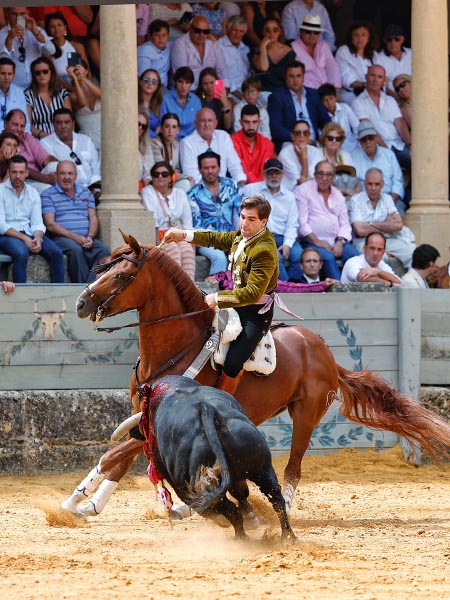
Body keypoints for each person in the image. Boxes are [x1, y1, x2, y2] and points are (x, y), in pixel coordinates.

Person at [164, 194, 279, 397]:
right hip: (235, 305)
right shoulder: (242, 236)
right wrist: (183, 235)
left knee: (233, 361)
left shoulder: (264, 250)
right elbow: (214, 238)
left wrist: (217, 298)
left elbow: (253, 293)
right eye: (243, 217)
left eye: (251, 219)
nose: (244, 224)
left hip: (255, 314)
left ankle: (224, 404)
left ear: (264, 221)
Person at [41, 160, 110, 283]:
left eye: (70, 173)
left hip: (85, 237)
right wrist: (75, 237)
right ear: (56, 175)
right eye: (62, 173)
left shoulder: (85, 192)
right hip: (60, 237)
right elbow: (50, 224)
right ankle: (82, 287)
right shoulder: (48, 195)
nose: (67, 177)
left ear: (76, 176)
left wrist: (90, 236)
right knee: (75, 250)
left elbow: (93, 218)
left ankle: (92, 285)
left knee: (103, 250)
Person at [0, 155, 64, 283]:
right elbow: (1, 225)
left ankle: (58, 296)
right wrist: (24, 239)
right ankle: (21, 297)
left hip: (29, 233)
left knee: (56, 253)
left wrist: (38, 238)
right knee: (21, 253)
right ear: (9, 172)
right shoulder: (1, 191)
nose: (18, 176)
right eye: (14, 172)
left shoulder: (33, 193)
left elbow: (37, 223)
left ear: (27, 173)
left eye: (21, 172)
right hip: (7, 234)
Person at [295, 160, 358, 279]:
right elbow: (302, 223)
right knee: (328, 257)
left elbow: (345, 223)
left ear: (333, 177)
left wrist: (340, 241)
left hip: (337, 240)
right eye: (321, 174)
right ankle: (340, 291)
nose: (324, 178)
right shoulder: (303, 190)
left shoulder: (338, 194)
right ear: (314, 175)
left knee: (354, 256)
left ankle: (360, 290)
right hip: (311, 241)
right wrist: (317, 241)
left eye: (328, 174)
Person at [243, 158, 302, 282]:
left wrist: (287, 244)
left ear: (282, 175)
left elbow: (292, 224)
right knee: (276, 257)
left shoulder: (289, 196)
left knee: (299, 255)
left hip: (282, 236)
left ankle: (295, 286)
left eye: (277, 173)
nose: (274, 176)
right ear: (264, 174)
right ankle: (286, 289)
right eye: (270, 173)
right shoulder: (251, 191)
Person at [187, 150, 243, 275]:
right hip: (208, 240)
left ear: (219, 168)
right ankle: (215, 291)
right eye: (206, 168)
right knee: (219, 258)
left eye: (213, 167)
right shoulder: (193, 194)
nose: (210, 171)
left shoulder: (232, 186)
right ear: (200, 169)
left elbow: (240, 214)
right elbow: (197, 225)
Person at [347, 167, 415, 269]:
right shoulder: (355, 200)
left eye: (377, 184)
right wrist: (386, 223)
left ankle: (410, 283)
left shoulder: (387, 199)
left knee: (412, 251)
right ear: (364, 184)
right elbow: (360, 230)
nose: (373, 188)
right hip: (365, 242)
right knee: (378, 256)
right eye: (370, 184)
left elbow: (398, 225)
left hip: (388, 240)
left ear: (382, 184)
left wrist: (370, 223)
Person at [141, 161, 195, 280]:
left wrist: (191, 244)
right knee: (173, 250)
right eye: (156, 174)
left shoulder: (179, 193)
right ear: (152, 177)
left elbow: (187, 224)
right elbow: (153, 222)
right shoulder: (148, 192)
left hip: (179, 235)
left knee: (187, 250)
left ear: (171, 177)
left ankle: (189, 288)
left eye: (164, 174)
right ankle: (174, 288)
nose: (160, 177)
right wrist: (156, 247)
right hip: (160, 237)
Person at [351, 64, 411, 169]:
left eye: (380, 77)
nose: (375, 80)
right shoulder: (358, 102)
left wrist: (410, 144)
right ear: (366, 77)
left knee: (421, 162)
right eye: (372, 75)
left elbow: (400, 123)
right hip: (379, 148)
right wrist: (386, 151)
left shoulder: (390, 100)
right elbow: (369, 128)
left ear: (384, 81)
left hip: (398, 145)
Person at [267, 60, 330, 152]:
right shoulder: (277, 97)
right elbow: (275, 129)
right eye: (291, 76)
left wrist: (323, 138)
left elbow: (326, 120)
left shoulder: (313, 94)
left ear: (303, 76)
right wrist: (299, 139)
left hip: (314, 142)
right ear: (286, 78)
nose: (295, 80)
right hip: (290, 142)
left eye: (298, 76)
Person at [180, 108, 246, 185]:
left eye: (210, 120)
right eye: (203, 121)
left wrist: (241, 184)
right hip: (200, 190)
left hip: (225, 188)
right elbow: (192, 176)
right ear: (195, 123)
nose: (206, 124)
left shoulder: (223, 137)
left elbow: (235, 166)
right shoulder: (187, 143)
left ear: (215, 123)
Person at [40, 108, 101, 190]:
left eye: (66, 122)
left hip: (94, 187)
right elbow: (54, 171)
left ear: (73, 123)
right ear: (53, 125)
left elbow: (95, 165)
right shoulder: (45, 144)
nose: (63, 126)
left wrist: (94, 184)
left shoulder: (86, 140)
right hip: (69, 191)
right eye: (59, 123)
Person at [352, 121, 405, 209]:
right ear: (359, 142)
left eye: (371, 138)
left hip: (389, 199)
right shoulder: (353, 157)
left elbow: (398, 181)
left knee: (399, 214)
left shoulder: (389, 155)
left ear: (376, 137)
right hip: (364, 202)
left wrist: (390, 201)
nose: (368, 142)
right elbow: (352, 184)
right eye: (364, 139)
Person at [0, 7, 55, 90]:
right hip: (14, 89)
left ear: (28, 13)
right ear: (7, 14)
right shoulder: (1, 34)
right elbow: (3, 61)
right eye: (14, 14)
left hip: (36, 87)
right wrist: (10, 38)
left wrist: (36, 33)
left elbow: (51, 51)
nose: (18, 18)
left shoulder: (37, 30)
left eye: (22, 14)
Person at [3, 108, 57, 193]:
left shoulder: (26, 137)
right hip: (21, 181)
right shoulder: (3, 142)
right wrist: (46, 179)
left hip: (40, 175)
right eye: (15, 124)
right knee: (48, 189)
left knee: (56, 166)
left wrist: (61, 168)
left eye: (22, 126)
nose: (19, 129)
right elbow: (19, 168)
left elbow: (46, 159)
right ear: (5, 124)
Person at [171, 15, 227, 90]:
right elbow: (182, 76)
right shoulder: (180, 44)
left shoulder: (212, 43)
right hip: (188, 91)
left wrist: (218, 92)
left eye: (205, 32)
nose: (202, 35)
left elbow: (221, 71)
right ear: (190, 28)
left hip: (211, 90)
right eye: (198, 31)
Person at [25, 56, 71, 139]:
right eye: (37, 73)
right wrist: (41, 134)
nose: (41, 75)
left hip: (62, 136)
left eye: (45, 71)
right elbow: (27, 125)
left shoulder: (62, 92)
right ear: (34, 75)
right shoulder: (28, 95)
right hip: (39, 139)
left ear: (51, 72)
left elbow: (69, 120)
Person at [291, 15, 341, 91]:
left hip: (327, 91)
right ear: (301, 31)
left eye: (316, 32)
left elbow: (332, 66)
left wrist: (334, 88)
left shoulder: (323, 45)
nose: (312, 35)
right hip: (305, 91)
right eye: (308, 32)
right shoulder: (293, 47)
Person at [335, 21, 378, 105]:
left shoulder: (374, 54)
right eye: (356, 35)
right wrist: (366, 86)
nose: (360, 38)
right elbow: (346, 76)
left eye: (363, 35)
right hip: (351, 94)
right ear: (351, 37)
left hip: (373, 92)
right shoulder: (344, 51)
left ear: (368, 38)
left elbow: (380, 75)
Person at [44, 11, 90, 85]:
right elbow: (56, 78)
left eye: (59, 25)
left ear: (65, 27)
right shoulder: (47, 50)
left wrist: (88, 87)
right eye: (52, 27)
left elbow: (87, 71)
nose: (56, 29)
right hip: (62, 89)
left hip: (81, 85)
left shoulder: (77, 46)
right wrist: (74, 90)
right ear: (49, 30)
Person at [231, 104, 274, 184]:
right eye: (247, 122)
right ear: (240, 122)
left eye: (254, 122)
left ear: (259, 122)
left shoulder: (267, 144)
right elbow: (240, 170)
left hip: (262, 188)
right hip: (241, 187)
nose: (251, 126)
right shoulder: (232, 142)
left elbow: (265, 172)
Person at [251, 18, 296, 95]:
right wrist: (262, 46)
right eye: (267, 31)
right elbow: (264, 68)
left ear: (280, 32)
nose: (271, 33)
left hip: (283, 93)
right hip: (262, 93)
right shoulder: (256, 52)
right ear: (262, 32)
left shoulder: (289, 51)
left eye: (275, 30)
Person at [151, 112, 193, 192]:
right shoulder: (155, 143)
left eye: (174, 127)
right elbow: (162, 169)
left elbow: (177, 168)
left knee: (186, 184)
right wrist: (185, 177)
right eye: (167, 127)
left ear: (178, 130)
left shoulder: (177, 143)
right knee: (186, 182)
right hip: (158, 181)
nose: (170, 131)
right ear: (161, 129)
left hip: (171, 182)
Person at [278, 120, 322, 190]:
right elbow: (303, 185)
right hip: (291, 193)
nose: (302, 136)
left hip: (314, 191)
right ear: (292, 136)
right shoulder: (285, 154)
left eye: (305, 133)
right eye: (297, 133)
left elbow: (319, 179)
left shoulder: (316, 152)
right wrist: (304, 158)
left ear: (309, 136)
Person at [68, 60, 101, 151]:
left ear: (86, 71)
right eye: (75, 71)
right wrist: (76, 80)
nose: (78, 72)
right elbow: (82, 103)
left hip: (104, 134)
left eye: (79, 69)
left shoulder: (96, 87)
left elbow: (102, 96)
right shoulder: (72, 94)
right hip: (86, 138)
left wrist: (83, 79)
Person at [161, 66, 201, 139]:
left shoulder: (196, 101)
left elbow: (199, 124)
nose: (183, 86)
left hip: (192, 140)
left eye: (187, 82)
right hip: (171, 139)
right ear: (175, 82)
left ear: (191, 84)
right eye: (180, 82)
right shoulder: (166, 99)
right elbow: (163, 122)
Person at [318, 83, 359, 153]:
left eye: (331, 98)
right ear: (321, 102)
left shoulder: (345, 108)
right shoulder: (321, 116)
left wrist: (358, 146)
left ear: (336, 97)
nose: (329, 102)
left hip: (353, 148)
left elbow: (357, 128)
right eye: (325, 100)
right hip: (334, 152)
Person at [217, 16, 251, 101]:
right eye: (235, 30)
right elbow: (217, 76)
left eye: (241, 31)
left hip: (246, 90)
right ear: (228, 29)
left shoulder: (246, 49)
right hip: (226, 92)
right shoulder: (218, 46)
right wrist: (237, 94)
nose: (237, 34)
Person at [375, 24, 411, 94]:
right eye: (389, 39)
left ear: (402, 39)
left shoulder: (412, 54)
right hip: (393, 99)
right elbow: (383, 86)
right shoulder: (378, 59)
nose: (393, 43)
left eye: (397, 39)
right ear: (384, 40)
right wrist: (398, 100)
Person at [195, 67, 234, 132]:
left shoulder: (225, 100)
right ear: (201, 85)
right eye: (205, 84)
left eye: (211, 83)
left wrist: (225, 104)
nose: (209, 86)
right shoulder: (196, 99)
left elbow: (228, 126)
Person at [137, 19, 171, 90]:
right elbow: (144, 77)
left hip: (164, 87)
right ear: (150, 36)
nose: (160, 38)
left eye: (164, 35)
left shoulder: (169, 47)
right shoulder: (144, 50)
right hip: (149, 88)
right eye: (157, 35)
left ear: (168, 36)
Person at [0, 57, 30, 133]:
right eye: (3, 73)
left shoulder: (19, 92)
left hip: (15, 137)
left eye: (9, 74)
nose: (6, 77)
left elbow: (25, 121)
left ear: (14, 75)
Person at [138, 69, 163, 139]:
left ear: (158, 85)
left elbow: (161, 127)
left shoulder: (160, 104)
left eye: (154, 81)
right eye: (146, 80)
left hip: (153, 142)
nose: (150, 83)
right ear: (140, 82)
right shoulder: (133, 102)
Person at [138, 111, 155, 188]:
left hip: (140, 186)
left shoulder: (146, 145)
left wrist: (148, 182)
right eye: (138, 124)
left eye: (143, 126)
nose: (140, 128)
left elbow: (148, 170)